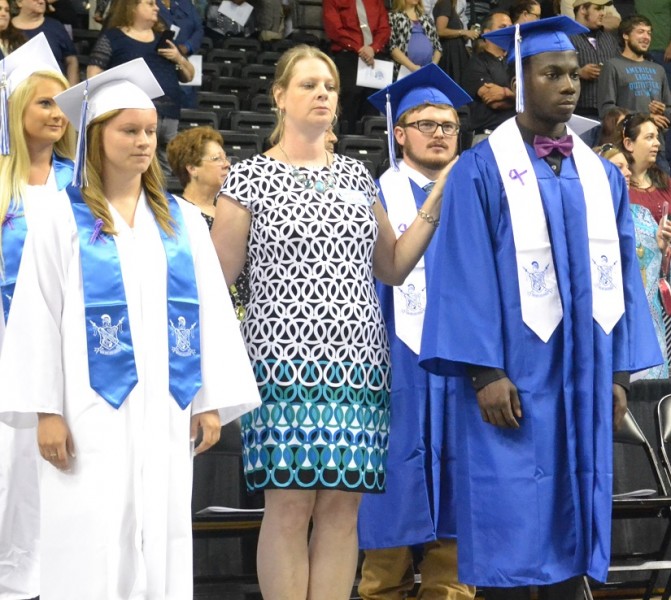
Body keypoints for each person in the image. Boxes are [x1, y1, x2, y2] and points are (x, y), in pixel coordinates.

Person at [419, 16, 661, 600]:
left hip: (585, 372)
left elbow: (623, 276)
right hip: (514, 374)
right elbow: (463, 269)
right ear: (520, 83)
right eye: (552, 74)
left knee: (576, 507)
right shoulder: (481, 169)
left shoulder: (600, 175)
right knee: (510, 510)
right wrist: (484, 372)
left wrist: (619, 373)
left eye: (573, 74)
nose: (568, 85)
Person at [0, 58, 261, 599]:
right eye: (129, 131)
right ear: (97, 136)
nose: (144, 142)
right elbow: (37, 316)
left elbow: (210, 310)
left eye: (149, 131)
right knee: (89, 529)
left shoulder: (180, 221)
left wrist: (210, 400)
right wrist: (46, 411)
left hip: (166, 407)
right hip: (86, 407)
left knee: (160, 530)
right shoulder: (58, 218)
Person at [210, 44, 450, 600]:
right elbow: (216, 284)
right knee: (290, 505)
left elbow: (392, 267)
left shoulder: (358, 177)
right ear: (279, 96)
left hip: (359, 366)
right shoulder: (248, 179)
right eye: (308, 84)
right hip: (281, 364)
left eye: (330, 86)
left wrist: (437, 197)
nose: (322, 93)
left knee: (343, 509)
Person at [356, 63, 475, 600]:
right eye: (426, 124)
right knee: (390, 490)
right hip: (392, 367)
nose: (439, 134)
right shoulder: (371, 195)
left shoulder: (479, 192)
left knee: (461, 492)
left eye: (448, 125)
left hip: (464, 365)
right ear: (399, 133)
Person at [0, 33, 74, 600]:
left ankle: (48, 578)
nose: (57, 113)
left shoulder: (83, 183)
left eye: (62, 103)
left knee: (48, 468)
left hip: (63, 347)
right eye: (45, 102)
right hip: (4, 337)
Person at [87, 0, 195, 175]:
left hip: (170, 116)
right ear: (132, 7)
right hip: (132, 117)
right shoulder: (113, 37)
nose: (157, 8)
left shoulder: (164, 39)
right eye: (150, 4)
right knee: (134, 170)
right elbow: (94, 75)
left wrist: (178, 58)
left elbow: (189, 75)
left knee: (164, 176)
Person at [598, 141, 671, 378]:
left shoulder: (642, 214)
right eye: (618, 167)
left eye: (627, 166)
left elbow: (659, 275)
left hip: (649, 321)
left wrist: (663, 248)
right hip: (611, 320)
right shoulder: (589, 218)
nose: (628, 172)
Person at [166, 126, 249, 319]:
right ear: (192, 168)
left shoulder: (233, 210)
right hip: (206, 313)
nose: (226, 164)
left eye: (225, 158)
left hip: (247, 313)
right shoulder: (177, 215)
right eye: (217, 159)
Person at [597, 15, 671, 170]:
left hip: (657, 148)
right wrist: (647, 116)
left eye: (649, 33)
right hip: (626, 148)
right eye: (640, 32)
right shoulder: (612, 66)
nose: (646, 37)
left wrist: (663, 110)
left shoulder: (658, 69)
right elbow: (606, 110)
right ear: (625, 35)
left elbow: (668, 111)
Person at [323, 0, 390, 133]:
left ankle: (372, 141)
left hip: (375, 56)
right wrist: (359, 48)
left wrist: (373, 48)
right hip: (349, 55)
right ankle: (347, 139)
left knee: (374, 103)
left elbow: (384, 28)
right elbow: (335, 29)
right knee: (350, 101)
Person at [461, 10, 515, 146]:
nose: (509, 31)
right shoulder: (476, 63)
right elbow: (494, 101)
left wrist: (506, 93)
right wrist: (521, 99)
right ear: (487, 32)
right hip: (487, 138)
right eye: (502, 27)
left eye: (511, 27)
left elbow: (533, 99)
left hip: (516, 136)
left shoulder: (516, 63)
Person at [570, 0, 620, 126]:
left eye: (603, 9)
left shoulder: (609, 39)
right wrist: (579, 72)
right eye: (597, 8)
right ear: (583, 9)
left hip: (609, 114)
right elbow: (553, 70)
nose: (603, 13)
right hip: (578, 113)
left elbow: (621, 68)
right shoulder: (565, 37)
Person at [12, 0, 78, 85]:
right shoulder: (6, 29)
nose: (41, 1)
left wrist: (72, 89)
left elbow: (71, 61)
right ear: (19, 2)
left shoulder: (56, 27)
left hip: (54, 89)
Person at [622, 112, 671, 221]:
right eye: (649, 137)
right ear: (628, 144)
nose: (657, 143)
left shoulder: (665, 181)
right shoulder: (619, 184)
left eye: (657, 137)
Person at [388, 0, 442, 78]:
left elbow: (438, 47)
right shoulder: (393, 17)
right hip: (403, 72)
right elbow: (392, 47)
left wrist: (433, 66)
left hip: (428, 73)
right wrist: (412, 67)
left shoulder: (426, 18)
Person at [433, 0, 478, 84]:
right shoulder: (445, 3)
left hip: (457, 53)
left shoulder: (452, 6)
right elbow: (440, 31)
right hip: (450, 55)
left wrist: (467, 34)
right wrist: (463, 32)